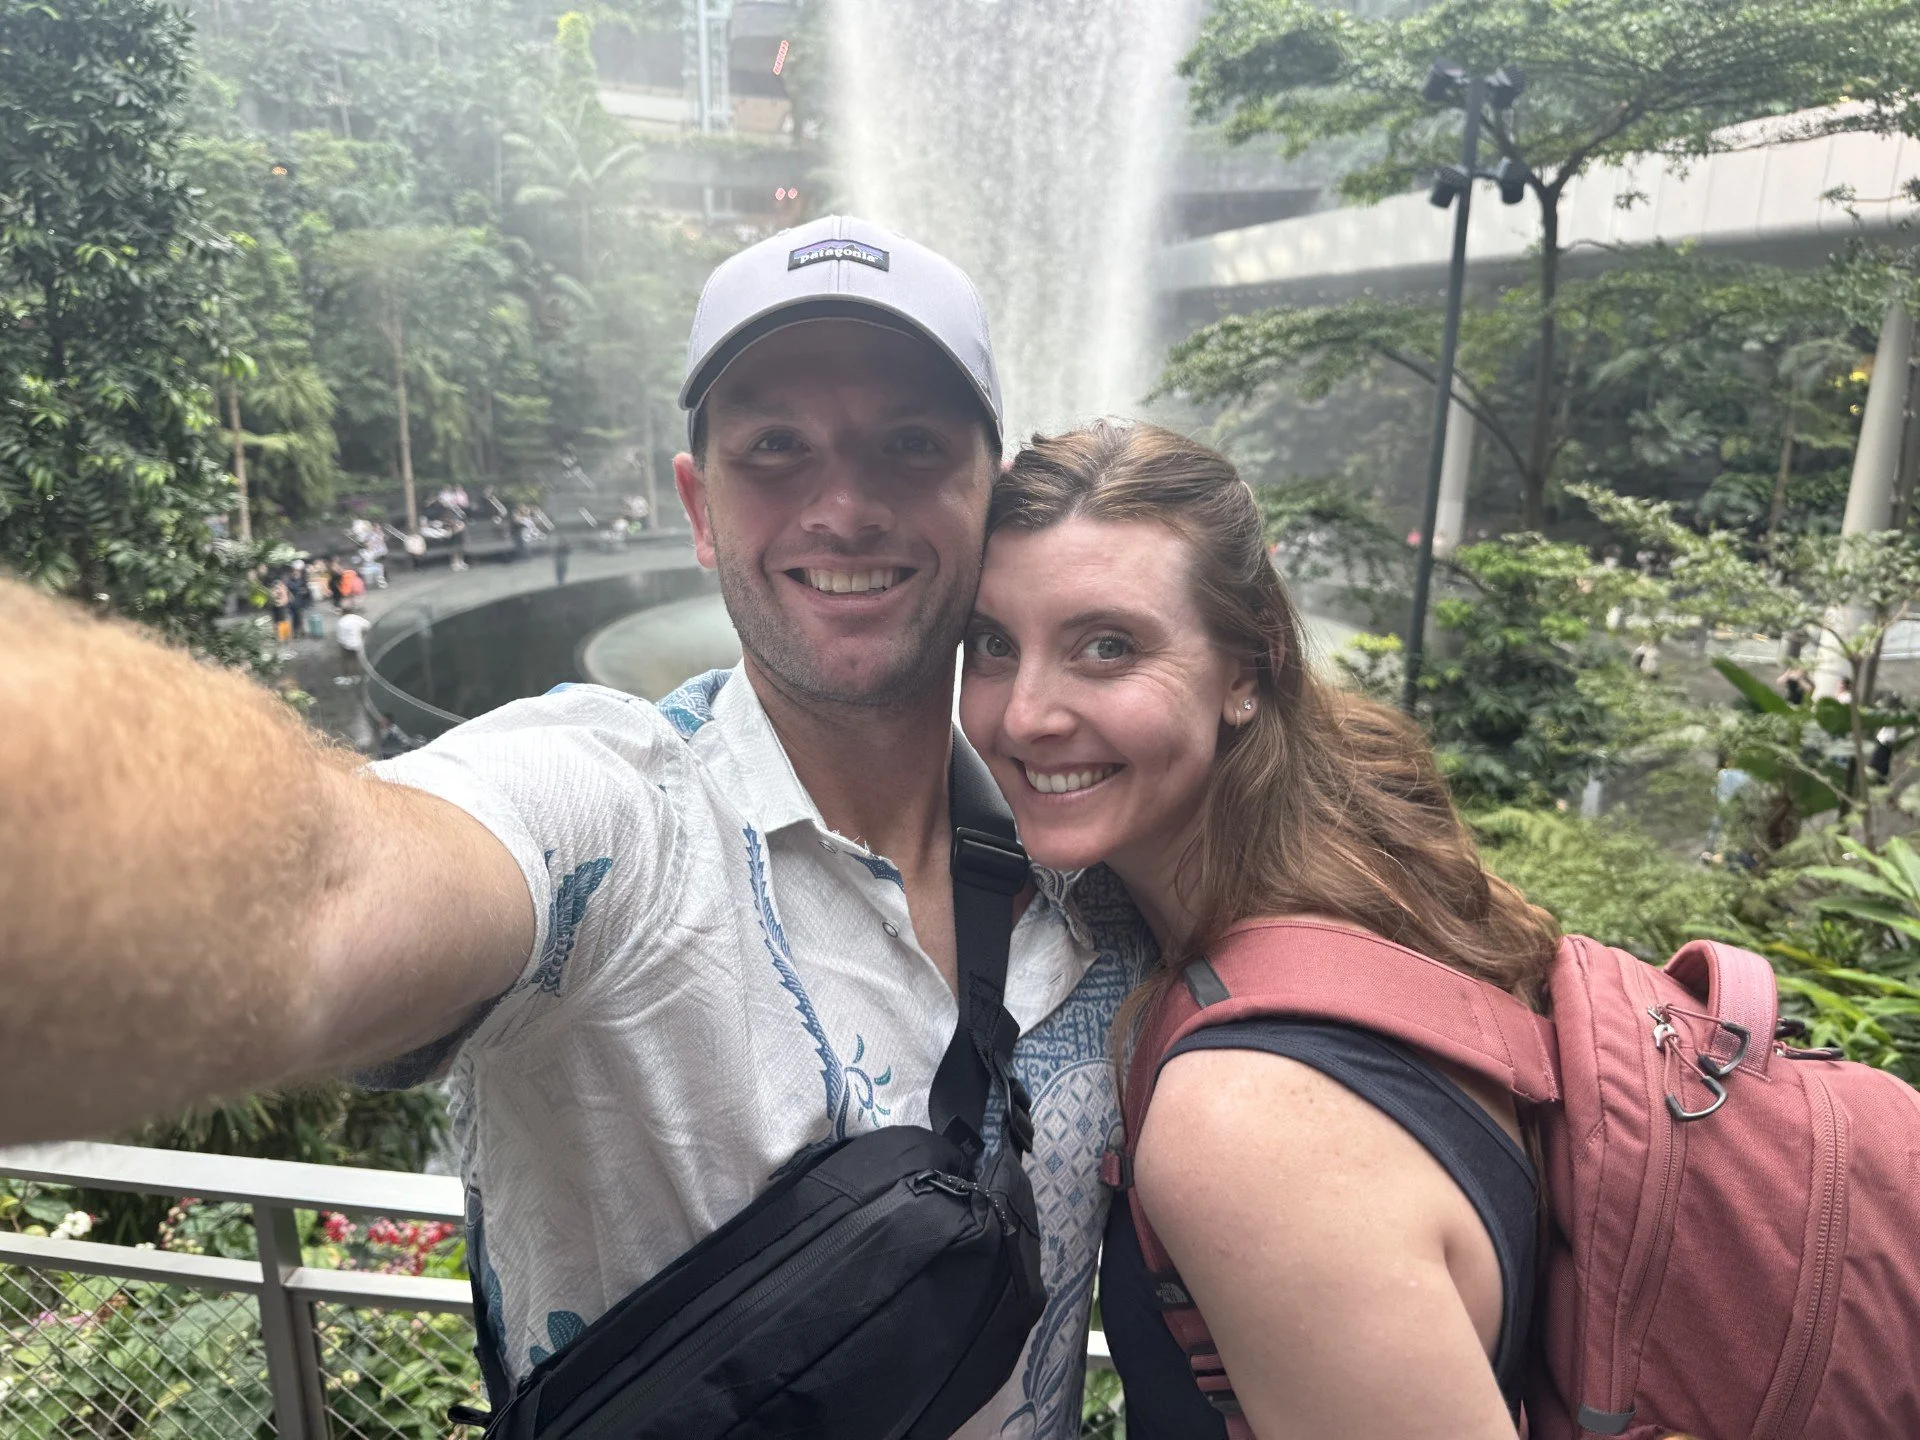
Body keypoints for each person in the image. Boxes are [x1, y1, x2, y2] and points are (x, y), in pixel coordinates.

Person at [0, 217, 1147, 1440]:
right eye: (776, 448)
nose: (846, 505)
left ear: (993, 497)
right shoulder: (618, 812)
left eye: (911, 445)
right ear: (701, 508)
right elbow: (322, 883)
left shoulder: (1091, 852)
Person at [958, 421, 1554, 1439]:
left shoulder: (1246, 1116)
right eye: (993, 645)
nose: (1024, 716)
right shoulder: (1367, 885)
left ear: (1246, 672)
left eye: (1109, 647)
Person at [334, 602, 372, 686]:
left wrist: (341, 647)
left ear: (343, 612)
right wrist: (364, 637)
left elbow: (341, 638)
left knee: (346, 661)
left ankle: (347, 678)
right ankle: (357, 676)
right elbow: (368, 626)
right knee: (357, 660)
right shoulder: (356, 618)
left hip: (346, 645)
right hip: (357, 643)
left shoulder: (341, 622)